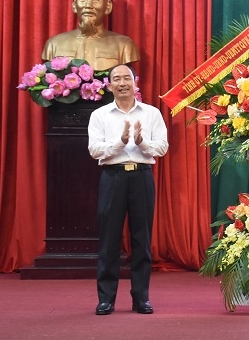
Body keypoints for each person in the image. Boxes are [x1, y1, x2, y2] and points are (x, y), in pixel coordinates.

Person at [88, 64, 168, 315]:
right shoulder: (100, 115)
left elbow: (162, 148)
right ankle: (106, 299)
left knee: (141, 240)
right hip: (112, 177)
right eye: (116, 79)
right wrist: (121, 141)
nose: (122, 83)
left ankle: (141, 298)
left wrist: (141, 141)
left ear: (135, 83)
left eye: (127, 78)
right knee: (109, 240)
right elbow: (95, 150)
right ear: (109, 85)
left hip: (142, 178)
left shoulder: (152, 113)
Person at [42, 0, 140, 71]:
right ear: (74, 5)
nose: (88, 5)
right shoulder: (54, 44)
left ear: (108, 6)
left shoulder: (124, 46)